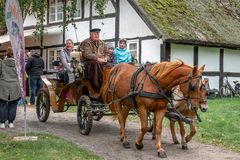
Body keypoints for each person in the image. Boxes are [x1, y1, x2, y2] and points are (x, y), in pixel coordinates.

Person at [0, 47, 21, 128]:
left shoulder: (2, 63)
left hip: (3, 85)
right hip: (15, 85)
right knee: (13, 104)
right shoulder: (18, 63)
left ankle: (2, 123)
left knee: (2, 104)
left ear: (6, 53)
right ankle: (11, 122)